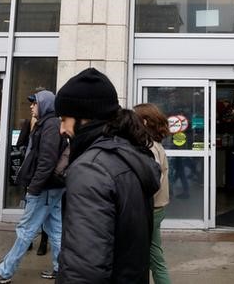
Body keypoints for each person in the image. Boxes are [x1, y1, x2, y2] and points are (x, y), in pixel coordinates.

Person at [55, 68, 160, 283]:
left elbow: (84, 266)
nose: (61, 129)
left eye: (64, 118)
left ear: (84, 119)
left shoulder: (91, 169)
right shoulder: (127, 154)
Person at [0, 90, 64, 283]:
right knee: (56, 230)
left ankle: (4, 272)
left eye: (34, 103)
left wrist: (34, 187)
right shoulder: (48, 124)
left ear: (44, 104)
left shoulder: (50, 125)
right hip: (51, 188)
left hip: (44, 188)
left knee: (26, 229)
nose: (31, 106)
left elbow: (46, 161)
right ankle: (62, 269)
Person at [134, 103, 171, 284]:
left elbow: (150, 180)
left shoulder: (149, 147)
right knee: (155, 255)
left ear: (145, 122)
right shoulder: (155, 145)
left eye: (135, 119)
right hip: (156, 207)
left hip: (151, 209)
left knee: (153, 257)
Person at [13, 114, 49, 256]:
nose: (32, 107)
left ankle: (39, 242)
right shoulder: (30, 122)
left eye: (34, 103)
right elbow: (20, 142)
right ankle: (36, 242)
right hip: (31, 171)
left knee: (35, 209)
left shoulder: (47, 124)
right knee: (34, 208)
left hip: (36, 172)